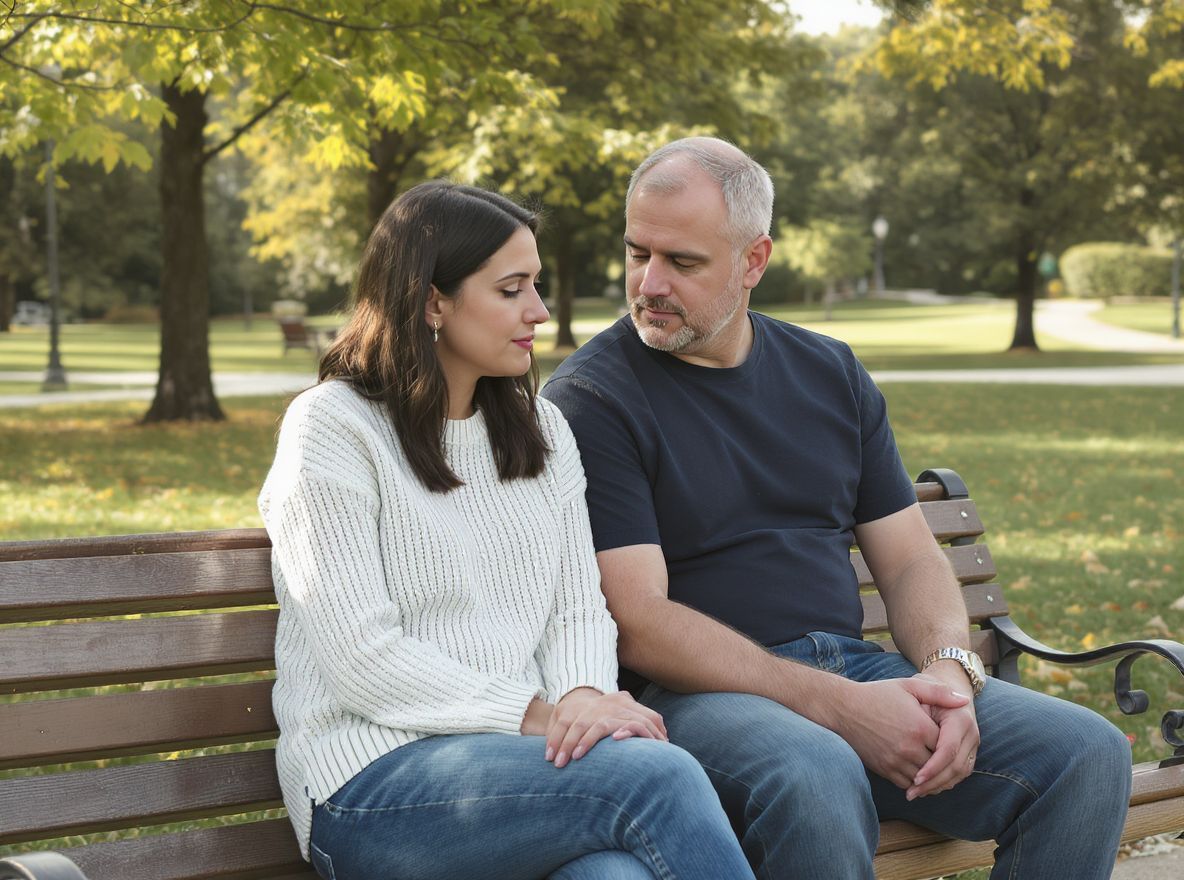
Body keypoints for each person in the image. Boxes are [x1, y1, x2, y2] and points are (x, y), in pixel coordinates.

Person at [541, 138, 1133, 879]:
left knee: (1087, 753)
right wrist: (842, 709)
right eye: (636, 253)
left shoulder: (828, 370)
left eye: (682, 262)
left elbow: (913, 557)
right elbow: (640, 621)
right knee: (815, 770)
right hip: (696, 700)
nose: (648, 283)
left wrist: (950, 674)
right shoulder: (593, 398)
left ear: (754, 261)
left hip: (852, 670)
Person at [258, 181, 756, 880]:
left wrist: (582, 697)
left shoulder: (540, 429)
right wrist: (537, 715)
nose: (540, 311)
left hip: (527, 770)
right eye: (512, 289)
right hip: (371, 787)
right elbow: (361, 659)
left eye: (537, 285)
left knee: (613, 878)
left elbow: (575, 606)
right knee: (657, 777)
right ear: (433, 300)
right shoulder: (334, 428)